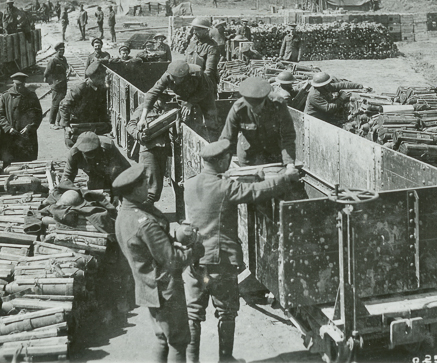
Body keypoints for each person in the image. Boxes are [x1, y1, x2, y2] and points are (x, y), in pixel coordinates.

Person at [183, 139, 300, 363]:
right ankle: (226, 359)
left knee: (193, 314)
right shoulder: (225, 187)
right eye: (228, 158)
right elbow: (256, 191)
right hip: (221, 261)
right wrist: (285, 179)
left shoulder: (191, 184)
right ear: (221, 161)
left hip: (195, 260)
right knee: (226, 312)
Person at [114, 164, 196, 363]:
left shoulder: (124, 215)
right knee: (178, 340)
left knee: (161, 338)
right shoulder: (146, 224)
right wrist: (196, 250)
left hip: (147, 287)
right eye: (145, 184)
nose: (149, 188)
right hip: (165, 289)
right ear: (134, 190)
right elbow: (173, 260)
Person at [219, 77, 296, 167]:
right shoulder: (238, 109)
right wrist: (222, 167)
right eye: (251, 106)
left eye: (258, 106)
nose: (255, 109)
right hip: (249, 158)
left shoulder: (278, 105)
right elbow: (227, 140)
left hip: (274, 156)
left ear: (265, 98)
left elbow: (287, 135)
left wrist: (289, 163)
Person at [136, 60, 218, 142]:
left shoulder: (197, 73)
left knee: (211, 118)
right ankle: (192, 140)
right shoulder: (167, 76)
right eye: (173, 78)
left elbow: (205, 90)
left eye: (177, 79)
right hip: (184, 94)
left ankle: (214, 142)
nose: (174, 81)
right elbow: (152, 93)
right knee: (187, 116)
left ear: (185, 76)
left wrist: (190, 102)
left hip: (204, 94)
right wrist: (143, 117)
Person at [127, 95, 173, 204]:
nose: (166, 102)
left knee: (157, 188)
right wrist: (139, 135)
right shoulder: (144, 109)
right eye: (163, 99)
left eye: (167, 100)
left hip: (163, 150)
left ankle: (146, 210)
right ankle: (143, 213)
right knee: (152, 187)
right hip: (148, 150)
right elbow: (130, 125)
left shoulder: (169, 108)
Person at [59, 61, 111, 147]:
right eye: (101, 78)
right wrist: (66, 126)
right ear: (94, 77)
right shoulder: (79, 88)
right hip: (77, 125)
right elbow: (63, 106)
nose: (103, 80)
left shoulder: (101, 89)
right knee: (75, 147)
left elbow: (102, 107)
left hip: (93, 124)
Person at [62, 131, 130, 192]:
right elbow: (67, 175)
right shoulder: (74, 153)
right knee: (94, 193)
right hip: (94, 175)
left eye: (93, 151)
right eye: (87, 153)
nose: (91, 155)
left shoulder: (108, 146)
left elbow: (124, 167)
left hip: (112, 175)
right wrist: (64, 191)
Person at [0, 72, 43, 166]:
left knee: (25, 162)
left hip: (26, 136)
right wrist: (8, 128)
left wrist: (30, 127)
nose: (19, 87)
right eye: (17, 85)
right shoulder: (5, 96)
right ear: (13, 83)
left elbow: (38, 114)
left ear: (24, 84)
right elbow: (0, 115)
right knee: (9, 162)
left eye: (21, 85)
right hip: (10, 135)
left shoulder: (31, 96)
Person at [185, 17, 220, 89]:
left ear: (205, 31)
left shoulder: (212, 46)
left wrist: (197, 84)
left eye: (197, 30)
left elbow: (209, 71)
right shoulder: (192, 44)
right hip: (190, 84)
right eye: (193, 29)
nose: (194, 32)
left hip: (204, 86)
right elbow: (185, 63)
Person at [44, 41, 70, 129]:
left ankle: (58, 122)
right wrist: (52, 84)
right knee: (55, 104)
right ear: (56, 51)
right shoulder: (53, 60)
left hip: (63, 85)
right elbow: (47, 73)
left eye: (63, 50)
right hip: (56, 86)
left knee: (62, 103)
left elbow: (66, 68)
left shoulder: (64, 59)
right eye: (60, 50)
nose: (62, 52)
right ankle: (52, 123)